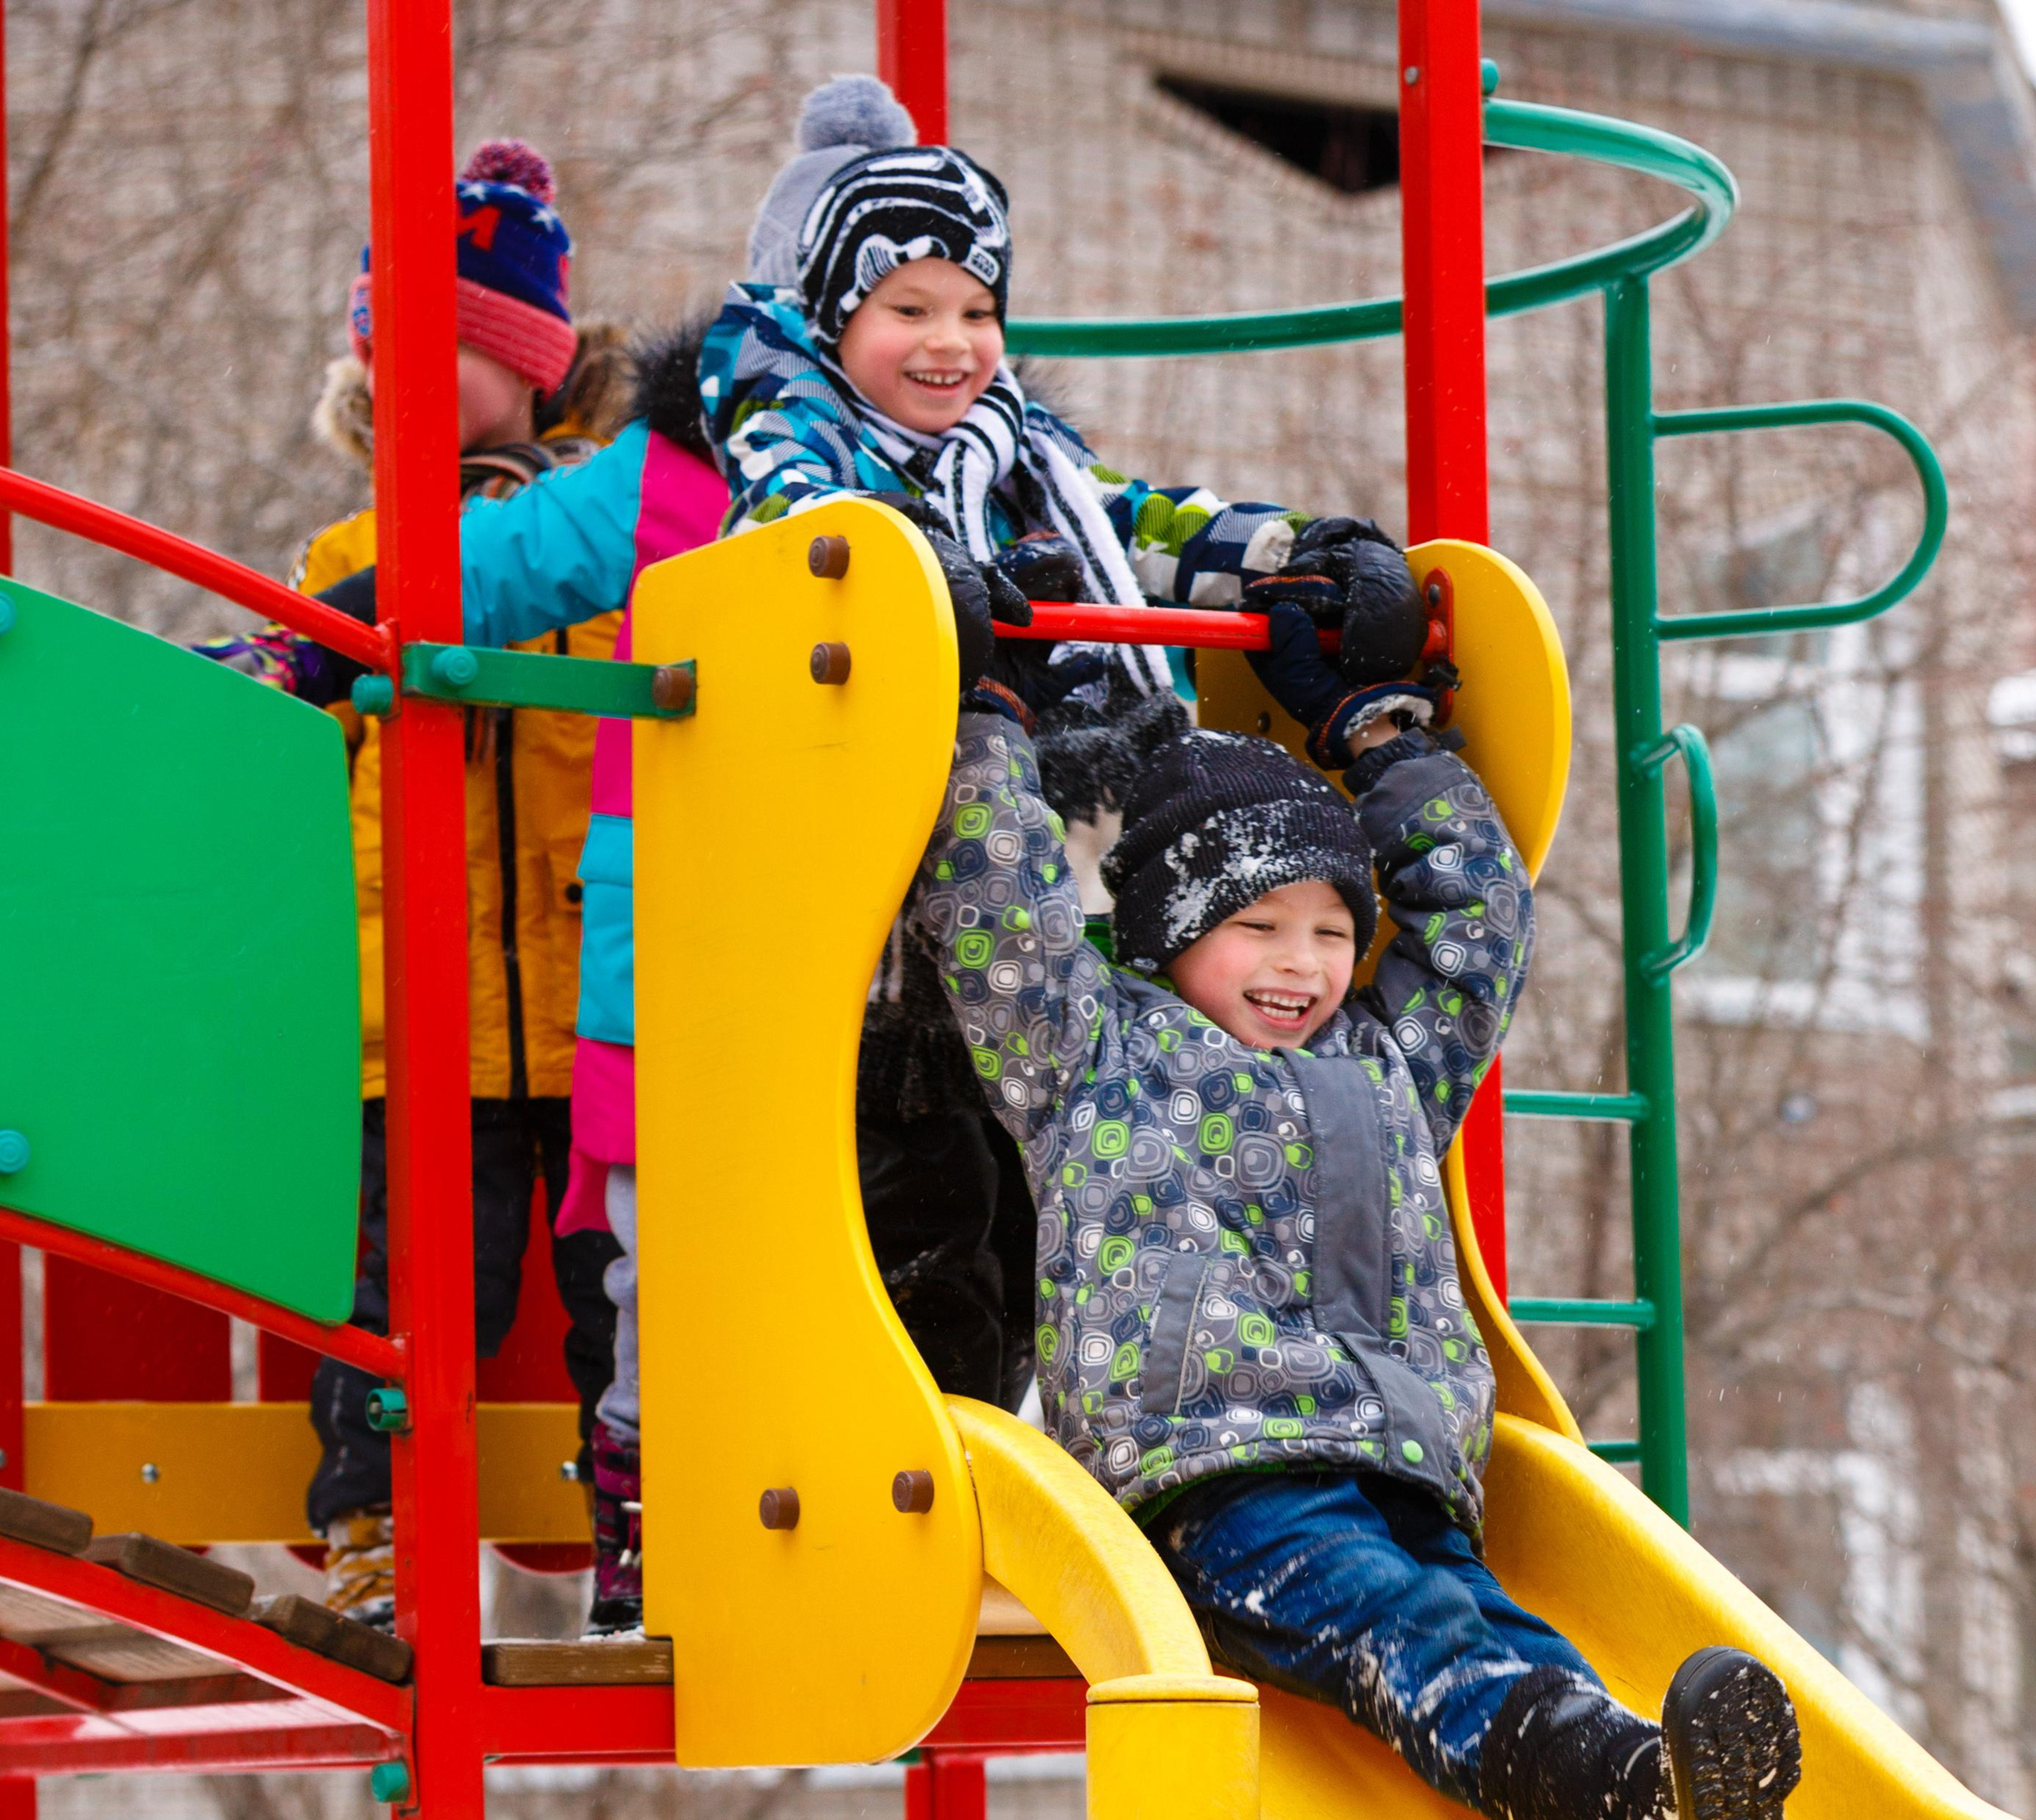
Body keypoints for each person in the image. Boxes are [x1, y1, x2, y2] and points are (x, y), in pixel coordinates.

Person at [896, 574, 1996, 1820]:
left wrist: (1382, 732)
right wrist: (982, 721)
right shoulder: (1095, 1050)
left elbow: (1480, 915)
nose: (1300, 962)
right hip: (1221, 1489)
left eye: (1333, 927)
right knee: (1438, 1664)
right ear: (1165, 933)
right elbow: (998, 909)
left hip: (1409, 1471)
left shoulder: (1389, 1058)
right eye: (1255, 927)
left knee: (1513, 1659)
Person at [698, 78, 1431, 1422]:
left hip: (1050, 913)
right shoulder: (792, 435)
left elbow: (1150, 520)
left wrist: (1293, 556)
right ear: (829, 316)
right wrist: (907, 566)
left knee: (1054, 1198)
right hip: (886, 934)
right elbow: (802, 524)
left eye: (977, 311)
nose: (951, 344)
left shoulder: (1021, 459)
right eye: (906, 309)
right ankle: (927, 1453)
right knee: (929, 1201)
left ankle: (1073, 1446)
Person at [220, 142, 630, 1632]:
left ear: (538, 372)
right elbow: (282, 745)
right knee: (398, 1306)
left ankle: (649, 1536)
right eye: (397, 349)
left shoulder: (603, 553)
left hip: (593, 1010)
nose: (424, 375)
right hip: (417, 1017)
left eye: (463, 344)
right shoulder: (348, 562)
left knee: (615, 1294)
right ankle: (376, 1536)